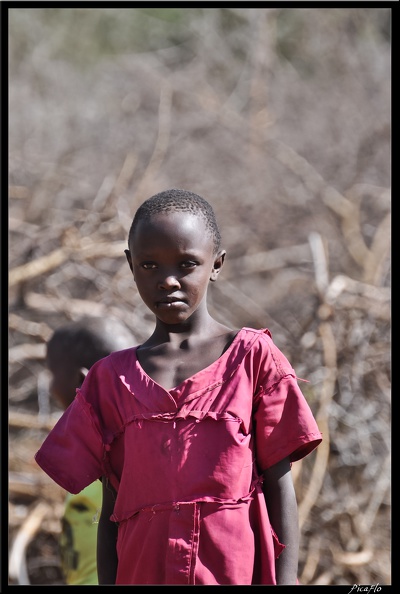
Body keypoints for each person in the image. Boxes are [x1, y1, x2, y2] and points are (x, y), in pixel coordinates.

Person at [35, 188, 323, 585]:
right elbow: (112, 510)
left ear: (217, 264)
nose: (167, 280)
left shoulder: (252, 358)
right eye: (150, 265)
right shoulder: (110, 379)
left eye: (187, 264)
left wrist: (287, 581)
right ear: (130, 265)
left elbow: (279, 485)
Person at [44, 316, 136, 585]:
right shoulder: (89, 454)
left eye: (52, 373)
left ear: (83, 381)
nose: (50, 387)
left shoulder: (121, 462)